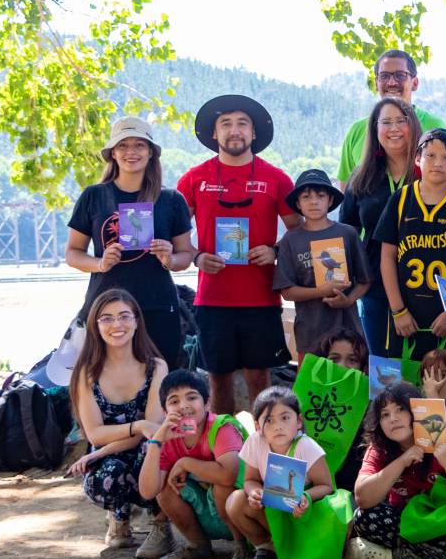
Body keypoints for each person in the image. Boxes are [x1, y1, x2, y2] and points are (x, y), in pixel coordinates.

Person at [177, 95, 296, 415]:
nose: (235, 131)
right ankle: (226, 455)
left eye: (242, 123)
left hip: (262, 299)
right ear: (214, 134)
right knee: (218, 381)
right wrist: (198, 256)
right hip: (212, 300)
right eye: (225, 124)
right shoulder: (193, 179)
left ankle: (267, 450)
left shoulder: (277, 179)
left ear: (254, 133)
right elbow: (177, 237)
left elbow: (300, 234)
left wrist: (274, 251)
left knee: (261, 380)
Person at [66, 116, 194, 365]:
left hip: (157, 307)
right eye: (123, 145)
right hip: (106, 309)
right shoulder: (94, 196)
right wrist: (100, 263)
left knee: (158, 386)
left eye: (139, 145)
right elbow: (73, 253)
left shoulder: (171, 199)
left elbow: (186, 255)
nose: (131, 152)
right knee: (105, 387)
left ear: (150, 153)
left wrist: (170, 258)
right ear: (112, 153)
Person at [67, 289, 167, 552]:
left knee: (153, 449)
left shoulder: (156, 367)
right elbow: (95, 435)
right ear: (95, 325)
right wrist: (138, 425)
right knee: (109, 472)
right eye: (106, 318)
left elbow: (153, 432)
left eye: (124, 316)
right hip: (108, 460)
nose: (117, 325)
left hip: (146, 451)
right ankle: (119, 516)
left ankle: (161, 523)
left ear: (136, 321)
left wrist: (143, 429)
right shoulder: (86, 373)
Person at [345, 382, 446, 559]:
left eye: (400, 409)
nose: (393, 419)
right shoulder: (379, 448)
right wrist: (402, 462)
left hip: (443, 521)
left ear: (416, 411)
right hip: (404, 522)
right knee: (364, 517)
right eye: (385, 414)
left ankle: (390, 558)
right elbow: (363, 497)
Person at [374, 128, 446, 361]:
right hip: (404, 313)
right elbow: (387, 258)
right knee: (395, 389)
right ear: (417, 159)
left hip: (443, 318)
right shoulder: (400, 199)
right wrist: (398, 310)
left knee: (442, 386)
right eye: (430, 155)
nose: (437, 163)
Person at [136, 369, 247, 559]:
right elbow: (148, 491)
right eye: (174, 401)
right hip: (205, 513)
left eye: (192, 397)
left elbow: (228, 475)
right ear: (165, 411)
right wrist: (156, 440)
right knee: (164, 489)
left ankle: (242, 546)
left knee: (221, 484)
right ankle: (198, 544)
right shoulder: (168, 438)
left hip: (240, 513)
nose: (184, 406)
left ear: (206, 403)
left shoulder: (221, 428)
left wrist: (185, 463)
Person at [339, 97, 424, 357]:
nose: (394, 128)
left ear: (414, 127)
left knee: (426, 371)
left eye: (401, 121)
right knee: (383, 370)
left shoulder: (433, 169)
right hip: (375, 289)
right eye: (386, 122)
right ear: (375, 130)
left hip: (425, 288)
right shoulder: (362, 175)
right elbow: (346, 231)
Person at [225, 387, 333, 559]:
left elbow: (327, 486)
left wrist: (305, 496)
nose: (278, 426)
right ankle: (268, 550)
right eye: (269, 420)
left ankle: (295, 550)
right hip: (274, 510)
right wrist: (254, 493)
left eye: (285, 418)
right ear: (257, 426)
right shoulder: (255, 442)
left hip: (303, 515)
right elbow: (250, 480)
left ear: (299, 421)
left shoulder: (306, 446)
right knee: (235, 501)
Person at [273, 169, 370, 362]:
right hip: (310, 334)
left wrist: (349, 300)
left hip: (348, 334)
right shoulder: (290, 240)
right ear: (298, 203)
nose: (314, 201)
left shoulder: (347, 234)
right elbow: (287, 291)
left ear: (330, 200)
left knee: (349, 389)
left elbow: (365, 280)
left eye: (320, 195)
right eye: (306, 197)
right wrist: (321, 290)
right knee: (311, 390)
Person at [335, 49, 446, 188]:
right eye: (384, 76)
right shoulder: (356, 131)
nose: (392, 82)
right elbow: (346, 193)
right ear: (376, 83)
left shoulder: (435, 127)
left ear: (415, 83)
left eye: (400, 75)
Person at [315, 327, 370, 492]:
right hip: (308, 487)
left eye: (352, 360)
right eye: (334, 359)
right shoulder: (303, 398)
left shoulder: (373, 403)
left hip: (351, 492)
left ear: (362, 367)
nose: (343, 367)